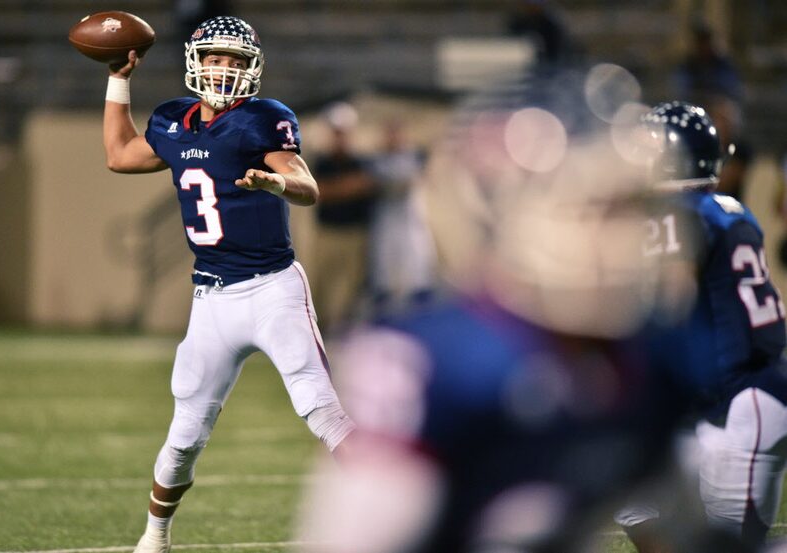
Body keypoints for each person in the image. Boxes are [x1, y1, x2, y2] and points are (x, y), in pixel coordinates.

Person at [294, 66, 744, 553]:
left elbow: (694, 537)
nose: (620, 238)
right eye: (593, 210)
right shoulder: (437, 365)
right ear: (509, 211)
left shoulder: (651, 359)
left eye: (629, 210)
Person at [100, 15, 356, 553]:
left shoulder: (263, 120)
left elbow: (308, 186)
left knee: (321, 407)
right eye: (215, 58)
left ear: (252, 69)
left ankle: (394, 520)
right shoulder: (173, 119)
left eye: (235, 61)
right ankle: (155, 536)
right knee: (185, 434)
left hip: (272, 289)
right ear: (196, 61)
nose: (223, 69)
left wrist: (276, 181)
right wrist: (118, 78)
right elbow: (120, 156)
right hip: (211, 298)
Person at [616, 101, 787, 552]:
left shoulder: (681, 214)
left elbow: (669, 302)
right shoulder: (725, 210)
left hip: (737, 403)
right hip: (730, 399)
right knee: (634, 497)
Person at [309, 102, 377, 334]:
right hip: (328, 232)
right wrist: (347, 188)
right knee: (322, 285)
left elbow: (365, 186)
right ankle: (322, 330)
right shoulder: (323, 161)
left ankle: (342, 330)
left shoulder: (360, 161)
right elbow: (319, 192)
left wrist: (339, 189)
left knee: (349, 287)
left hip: (354, 232)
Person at [367, 120, 436, 314]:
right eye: (390, 134)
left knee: (419, 268)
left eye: (397, 133)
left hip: (412, 221)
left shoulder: (415, 156)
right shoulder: (377, 161)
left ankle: (423, 311)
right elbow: (385, 187)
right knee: (384, 272)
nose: (394, 138)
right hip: (386, 221)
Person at [671, 18, 744, 105]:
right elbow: (680, 89)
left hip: (719, 106)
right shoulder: (688, 65)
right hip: (694, 105)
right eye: (700, 42)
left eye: (706, 41)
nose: (703, 46)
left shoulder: (723, 64)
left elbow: (732, 88)